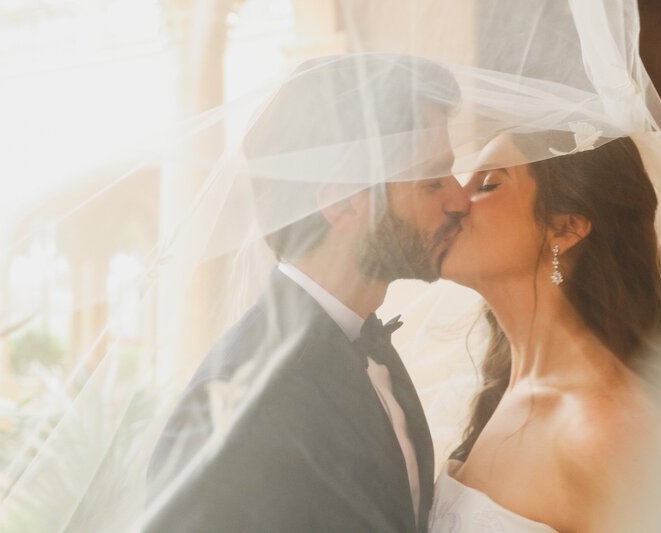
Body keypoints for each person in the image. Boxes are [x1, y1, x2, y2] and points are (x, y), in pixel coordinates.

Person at [146, 54, 468, 532]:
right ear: (342, 204)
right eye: (432, 182)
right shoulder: (239, 408)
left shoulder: (367, 344)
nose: (460, 199)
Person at [431, 132, 661, 531]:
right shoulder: (508, 388)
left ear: (565, 228)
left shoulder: (609, 433)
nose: (455, 203)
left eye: (488, 184)